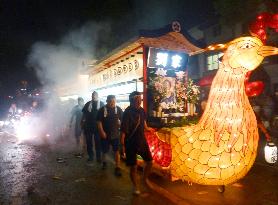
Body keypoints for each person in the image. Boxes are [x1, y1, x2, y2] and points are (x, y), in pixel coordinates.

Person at [121, 91, 154, 195]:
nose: (139, 101)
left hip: (141, 140)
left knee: (150, 162)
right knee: (133, 166)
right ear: (132, 100)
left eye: (140, 99)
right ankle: (135, 186)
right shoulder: (127, 112)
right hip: (130, 142)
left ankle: (144, 179)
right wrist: (122, 145)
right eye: (137, 99)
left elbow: (143, 123)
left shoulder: (142, 111)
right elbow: (123, 131)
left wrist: (148, 128)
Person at [97, 95, 123, 176]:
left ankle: (117, 167)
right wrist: (101, 132)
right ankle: (104, 162)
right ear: (107, 101)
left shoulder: (118, 109)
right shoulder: (102, 109)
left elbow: (122, 120)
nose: (112, 103)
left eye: (113, 101)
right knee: (104, 151)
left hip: (115, 134)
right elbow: (98, 122)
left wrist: (120, 125)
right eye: (110, 101)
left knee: (117, 151)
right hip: (105, 134)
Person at [81, 91, 104, 165]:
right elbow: (84, 115)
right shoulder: (88, 104)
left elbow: (104, 115)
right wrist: (82, 123)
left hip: (97, 127)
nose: (93, 96)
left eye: (95, 95)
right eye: (92, 95)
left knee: (98, 143)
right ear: (91, 96)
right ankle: (91, 156)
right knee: (89, 143)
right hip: (88, 127)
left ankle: (98, 157)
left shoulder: (101, 104)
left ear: (97, 96)